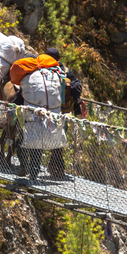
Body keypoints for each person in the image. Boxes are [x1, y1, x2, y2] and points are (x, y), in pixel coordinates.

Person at [16, 47, 80, 181]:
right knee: (57, 143)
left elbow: (22, 92)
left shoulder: (35, 70)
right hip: (58, 114)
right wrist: (77, 109)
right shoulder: (65, 71)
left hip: (35, 113)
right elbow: (76, 90)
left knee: (34, 141)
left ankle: (32, 171)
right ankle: (57, 170)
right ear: (59, 58)